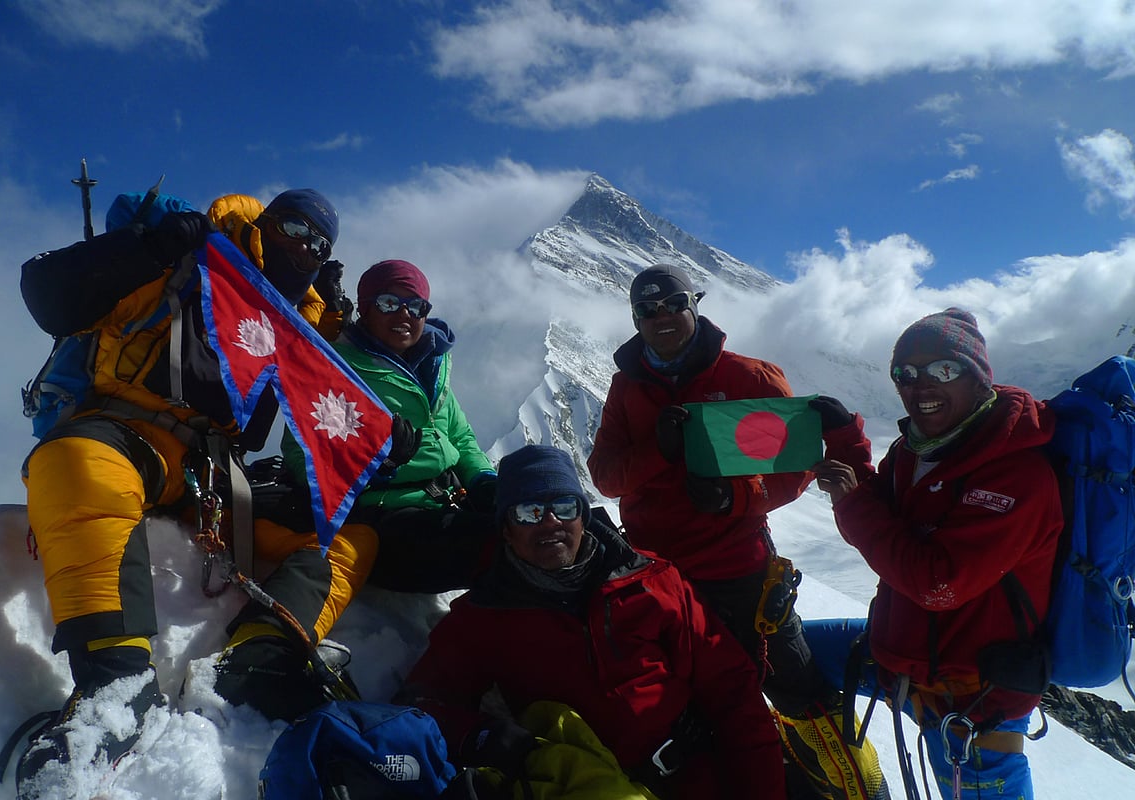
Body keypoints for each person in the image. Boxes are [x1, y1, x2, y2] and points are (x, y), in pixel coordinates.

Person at [16, 187, 380, 795]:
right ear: (265, 221)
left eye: (319, 244)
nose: (303, 247)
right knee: (78, 462)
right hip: (126, 427)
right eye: (293, 226)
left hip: (212, 469)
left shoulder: (302, 318)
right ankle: (115, 682)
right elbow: (48, 296)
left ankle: (262, 655)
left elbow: (332, 395)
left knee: (347, 536)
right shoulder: (188, 260)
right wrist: (146, 249)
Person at [586, 263, 888, 800]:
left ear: (695, 305)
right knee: (701, 706)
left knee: (801, 692)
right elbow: (606, 476)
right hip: (657, 580)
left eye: (673, 304)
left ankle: (859, 791)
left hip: (740, 574)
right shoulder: (625, 388)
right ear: (635, 319)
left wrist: (735, 498)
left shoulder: (750, 378)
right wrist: (660, 450)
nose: (661, 318)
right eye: (646, 311)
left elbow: (794, 469)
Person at [396, 444, 787, 799]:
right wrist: (484, 737)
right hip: (584, 785)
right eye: (529, 511)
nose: (550, 522)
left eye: (564, 507)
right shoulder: (484, 616)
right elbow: (422, 704)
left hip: (701, 774)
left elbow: (733, 690)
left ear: (583, 517)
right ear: (506, 529)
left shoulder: (654, 580)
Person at [810, 308, 1062, 800]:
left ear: (977, 376)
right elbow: (882, 509)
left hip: (974, 710)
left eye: (942, 370)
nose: (920, 385)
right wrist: (846, 441)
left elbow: (938, 585)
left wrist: (853, 505)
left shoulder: (1017, 474)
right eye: (905, 373)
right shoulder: (915, 451)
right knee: (779, 651)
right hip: (904, 661)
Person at [282, 258, 497, 593]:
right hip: (385, 516)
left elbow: (461, 436)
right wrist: (377, 464)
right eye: (388, 303)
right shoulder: (334, 371)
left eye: (415, 306)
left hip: (449, 499)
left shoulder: (432, 366)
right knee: (501, 545)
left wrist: (484, 480)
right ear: (366, 309)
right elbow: (301, 456)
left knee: (544, 509)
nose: (404, 315)